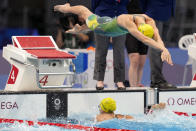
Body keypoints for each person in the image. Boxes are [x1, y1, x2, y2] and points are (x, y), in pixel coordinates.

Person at [53, 4, 173, 68]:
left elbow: (157, 38)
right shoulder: (126, 20)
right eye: (138, 30)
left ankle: (79, 29)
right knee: (83, 10)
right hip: (102, 26)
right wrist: (162, 49)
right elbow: (145, 39)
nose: (137, 31)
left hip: (107, 24)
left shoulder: (150, 20)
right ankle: (62, 7)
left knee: (85, 23)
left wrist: (164, 49)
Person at [91, 0, 129, 90]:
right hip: (102, 17)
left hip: (121, 17)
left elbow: (126, 2)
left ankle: (120, 80)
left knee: (119, 50)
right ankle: (99, 80)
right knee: (101, 49)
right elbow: (94, 3)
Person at [139, 0, 177, 89]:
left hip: (168, 13)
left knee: (161, 48)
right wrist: (146, 14)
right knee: (156, 48)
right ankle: (157, 80)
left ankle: (156, 80)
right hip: (153, 13)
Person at [126, 0, 148, 87]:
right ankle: (133, 87)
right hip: (129, 25)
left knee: (142, 61)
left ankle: (138, 84)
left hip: (145, 26)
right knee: (134, 58)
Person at [96, 97, 166, 122]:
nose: (99, 108)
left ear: (104, 109)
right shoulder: (121, 116)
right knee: (147, 120)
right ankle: (152, 112)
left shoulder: (100, 117)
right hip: (130, 121)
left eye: (100, 106)